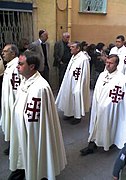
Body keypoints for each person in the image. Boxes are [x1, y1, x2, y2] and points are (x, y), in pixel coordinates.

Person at [8, 50, 67, 180]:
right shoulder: (25, 80)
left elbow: (38, 120)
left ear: (31, 66)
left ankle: (38, 172)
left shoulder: (40, 88)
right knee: (22, 151)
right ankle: (22, 169)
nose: (17, 66)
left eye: (21, 64)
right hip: (21, 127)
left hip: (34, 132)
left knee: (33, 152)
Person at [80, 54, 126, 156]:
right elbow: (96, 91)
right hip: (98, 106)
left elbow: (122, 100)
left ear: (117, 64)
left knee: (108, 126)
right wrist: (97, 103)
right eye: (107, 62)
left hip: (111, 108)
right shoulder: (102, 75)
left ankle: (107, 142)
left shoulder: (122, 80)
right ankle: (93, 143)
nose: (107, 65)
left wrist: (106, 106)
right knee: (96, 125)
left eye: (111, 63)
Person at [55, 41, 90, 125]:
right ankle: (69, 113)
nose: (70, 48)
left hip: (78, 83)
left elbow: (85, 74)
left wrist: (80, 85)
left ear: (78, 48)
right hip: (70, 81)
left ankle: (77, 116)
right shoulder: (74, 56)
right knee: (69, 97)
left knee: (77, 97)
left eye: (73, 47)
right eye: (70, 47)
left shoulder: (83, 59)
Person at [0, 44, 21, 155]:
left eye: (5, 51)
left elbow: (17, 88)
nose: (2, 53)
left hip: (13, 103)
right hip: (8, 101)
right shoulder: (10, 65)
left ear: (12, 53)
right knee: (10, 124)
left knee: (14, 125)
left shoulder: (16, 67)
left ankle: (15, 147)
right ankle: (12, 144)